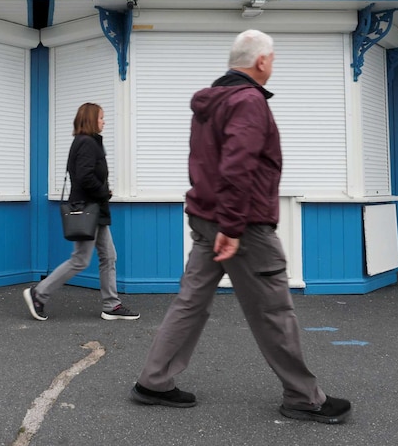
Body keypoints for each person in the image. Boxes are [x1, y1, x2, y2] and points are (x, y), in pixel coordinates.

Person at [130, 30, 351, 424]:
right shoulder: (248, 101)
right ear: (261, 61)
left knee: (191, 301)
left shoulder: (211, 103)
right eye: (274, 59)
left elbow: (206, 163)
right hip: (241, 225)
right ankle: (303, 397)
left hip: (206, 215)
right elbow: (237, 167)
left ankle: (154, 380)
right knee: (273, 309)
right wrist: (232, 228)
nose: (273, 65)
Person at [24, 102, 140, 322]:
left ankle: (111, 305)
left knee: (109, 256)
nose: (104, 121)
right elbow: (84, 177)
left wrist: (103, 192)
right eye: (101, 118)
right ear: (90, 120)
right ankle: (38, 293)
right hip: (89, 210)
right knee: (80, 259)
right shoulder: (87, 143)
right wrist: (104, 191)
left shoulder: (86, 142)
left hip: (95, 210)